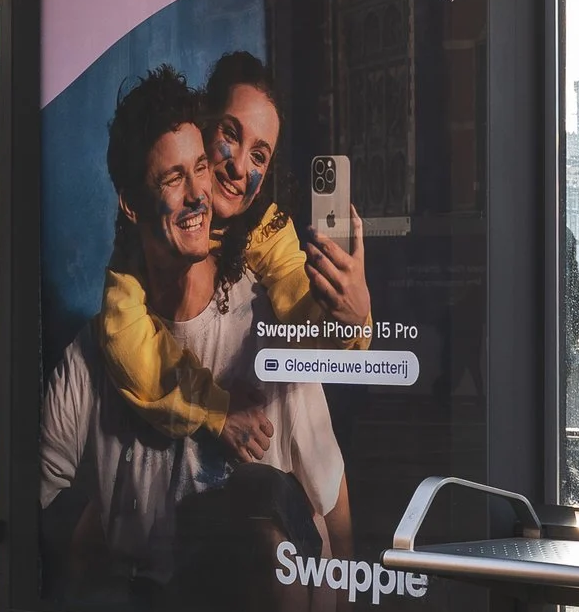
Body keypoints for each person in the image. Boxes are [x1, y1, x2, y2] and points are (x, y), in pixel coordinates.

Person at [41, 67, 352, 612]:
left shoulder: (266, 312)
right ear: (133, 204)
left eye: (258, 156)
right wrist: (91, 540)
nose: (229, 173)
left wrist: (346, 316)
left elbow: (332, 492)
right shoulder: (108, 330)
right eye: (173, 178)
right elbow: (37, 502)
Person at [94, 50, 371, 458]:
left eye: (259, 156)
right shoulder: (143, 242)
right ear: (201, 127)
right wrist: (216, 408)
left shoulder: (268, 228)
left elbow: (300, 298)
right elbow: (132, 347)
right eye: (230, 134)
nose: (240, 167)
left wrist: (348, 315)